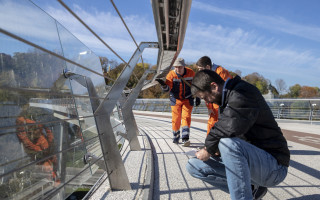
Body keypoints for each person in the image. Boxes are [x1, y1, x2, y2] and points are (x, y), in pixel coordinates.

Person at [186, 69, 290, 200]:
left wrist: (208, 148)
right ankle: (253, 189)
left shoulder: (242, 92)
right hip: (255, 162)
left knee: (227, 144)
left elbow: (228, 126)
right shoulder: (227, 99)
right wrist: (214, 150)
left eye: (205, 97)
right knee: (194, 166)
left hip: (274, 166)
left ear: (214, 86)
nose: (208, 102)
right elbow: (231, 129)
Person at [156, 58, 200, 147]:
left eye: (179, 67)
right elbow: (167, 89)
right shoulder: (171, 74)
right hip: (175, 99)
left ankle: (185, 138)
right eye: (176, 67)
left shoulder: (191, 73)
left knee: (186, 117)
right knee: (176, 119)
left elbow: (197, 85)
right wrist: (164, 85)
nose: (177, 69)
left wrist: (198, 97)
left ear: (184, 66)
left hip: (188, 98)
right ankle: (176, 136)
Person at [16, 116, 60, 185]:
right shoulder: (45, 150)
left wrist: (25, 121)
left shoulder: (35, 148)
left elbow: (24, 138)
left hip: (43, 158)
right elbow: (49, 136)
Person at [196, 56, 233, 135]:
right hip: (214, 103)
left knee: (221, 124)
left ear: (208, 67)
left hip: (222, 103)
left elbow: (224, 91)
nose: (199, 71)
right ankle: (209, 146)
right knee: (211, 122)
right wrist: (209, 107)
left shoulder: (221, 72)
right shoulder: (206, 74)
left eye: (201, 69)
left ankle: (217, 145)